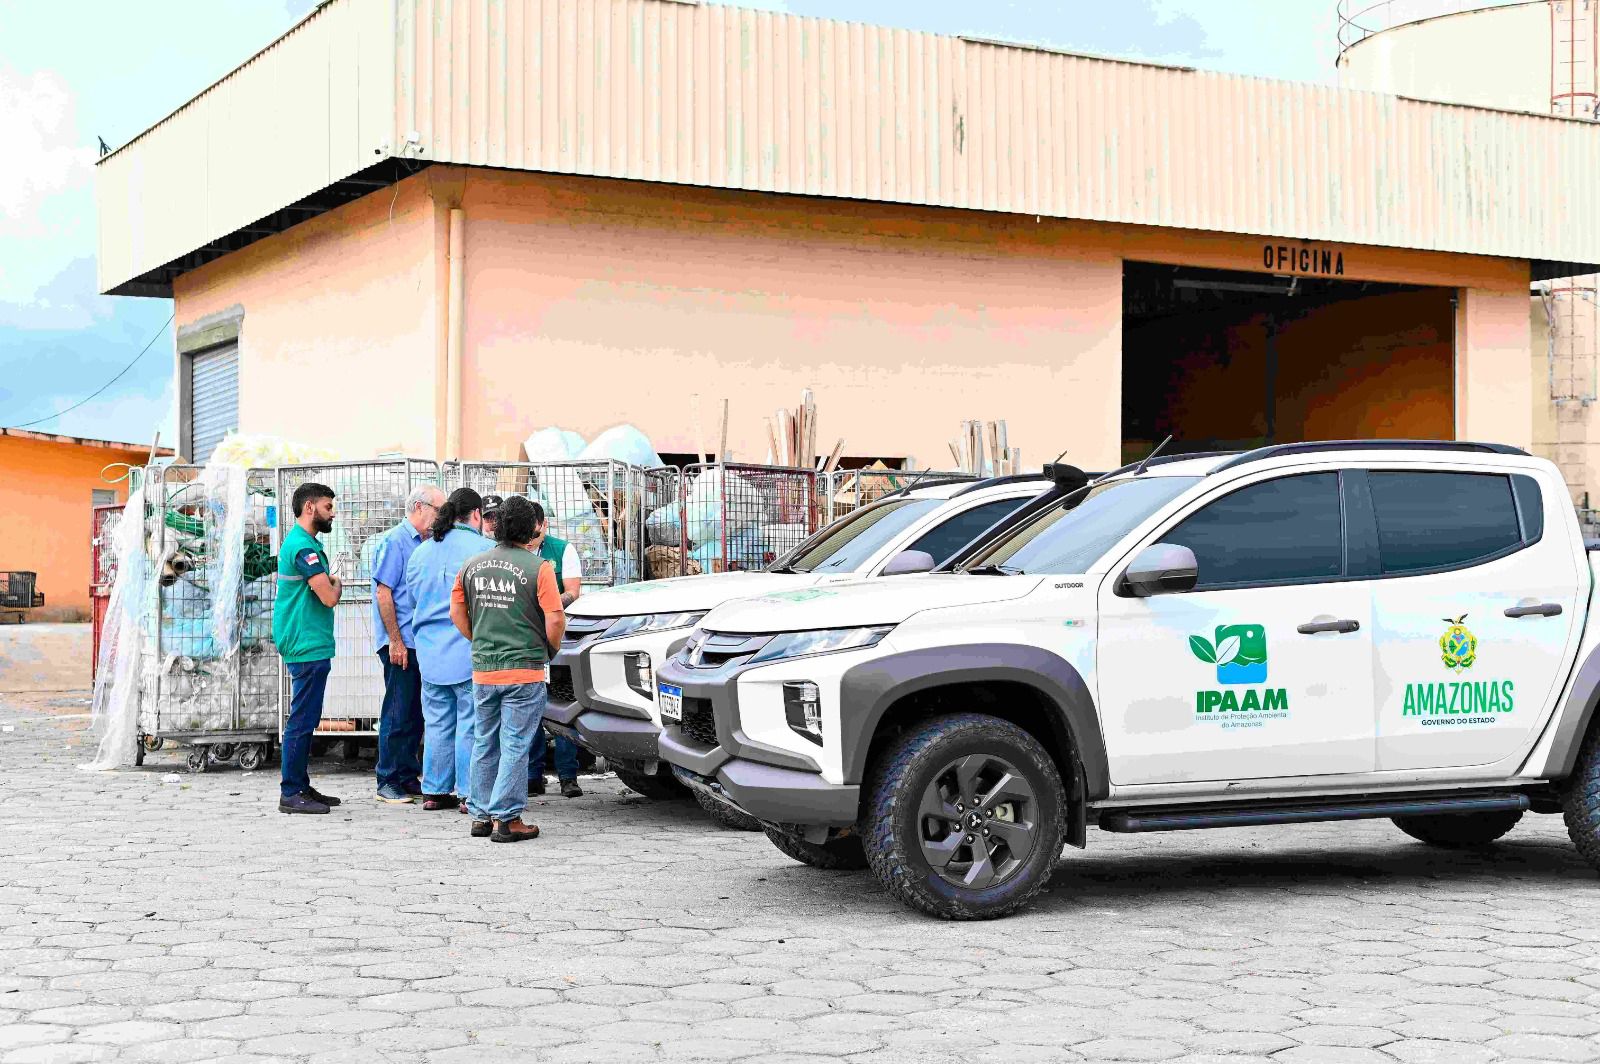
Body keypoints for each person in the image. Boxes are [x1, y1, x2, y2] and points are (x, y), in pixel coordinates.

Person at [452, 495, 566, 842]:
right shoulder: (539, 568)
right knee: (515, 743)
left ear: (498, 526)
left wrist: (480, 639)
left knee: (485, 741)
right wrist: (549, 649)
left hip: (484, 670)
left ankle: (481, 815)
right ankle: (508, 819)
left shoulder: (472, 565)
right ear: (532, 528)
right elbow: (556, 616)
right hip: (525, 670)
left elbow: (457, 611)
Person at [405, 487, 491, 813]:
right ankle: (469, 793)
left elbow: (414, 598)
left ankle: (435, 791)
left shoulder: (420, 553)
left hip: (429, 653)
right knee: (470, 721)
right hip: (469, 650)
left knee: (438, 721)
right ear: (476, 515)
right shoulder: (485, 549)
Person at [371, 484, 445, 804]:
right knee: (398, 711)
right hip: (400, 643)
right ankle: (387, 779)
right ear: (419, 507)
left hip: (419, 642)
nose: (441, 517)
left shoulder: (426, 543)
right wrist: (395, 641)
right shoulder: (395, 541)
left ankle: (406, 774)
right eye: (438, 510)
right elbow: (383, 593)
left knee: (414, 712)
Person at [273, 482, 343, 815]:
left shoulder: (305, 543)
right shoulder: (303, 548)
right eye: (328, 507)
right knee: (302, 719)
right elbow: (328, 596)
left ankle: (300, 784)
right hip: (305, 642)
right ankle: (291, 791)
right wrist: (336, 582)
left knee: (307, 717)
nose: (333, 513)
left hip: (309, 641)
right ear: (310, 508)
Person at [526, 505, 586, 797]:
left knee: (563, 706)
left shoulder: (563, 550)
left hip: (559, 636)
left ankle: (568, 776)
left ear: (544, 525)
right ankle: (532, 776)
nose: (532, 539)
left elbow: (574, 591)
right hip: (528, 639)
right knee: (532, 708)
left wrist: (549, 602)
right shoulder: (519, 550)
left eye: (536, 533)